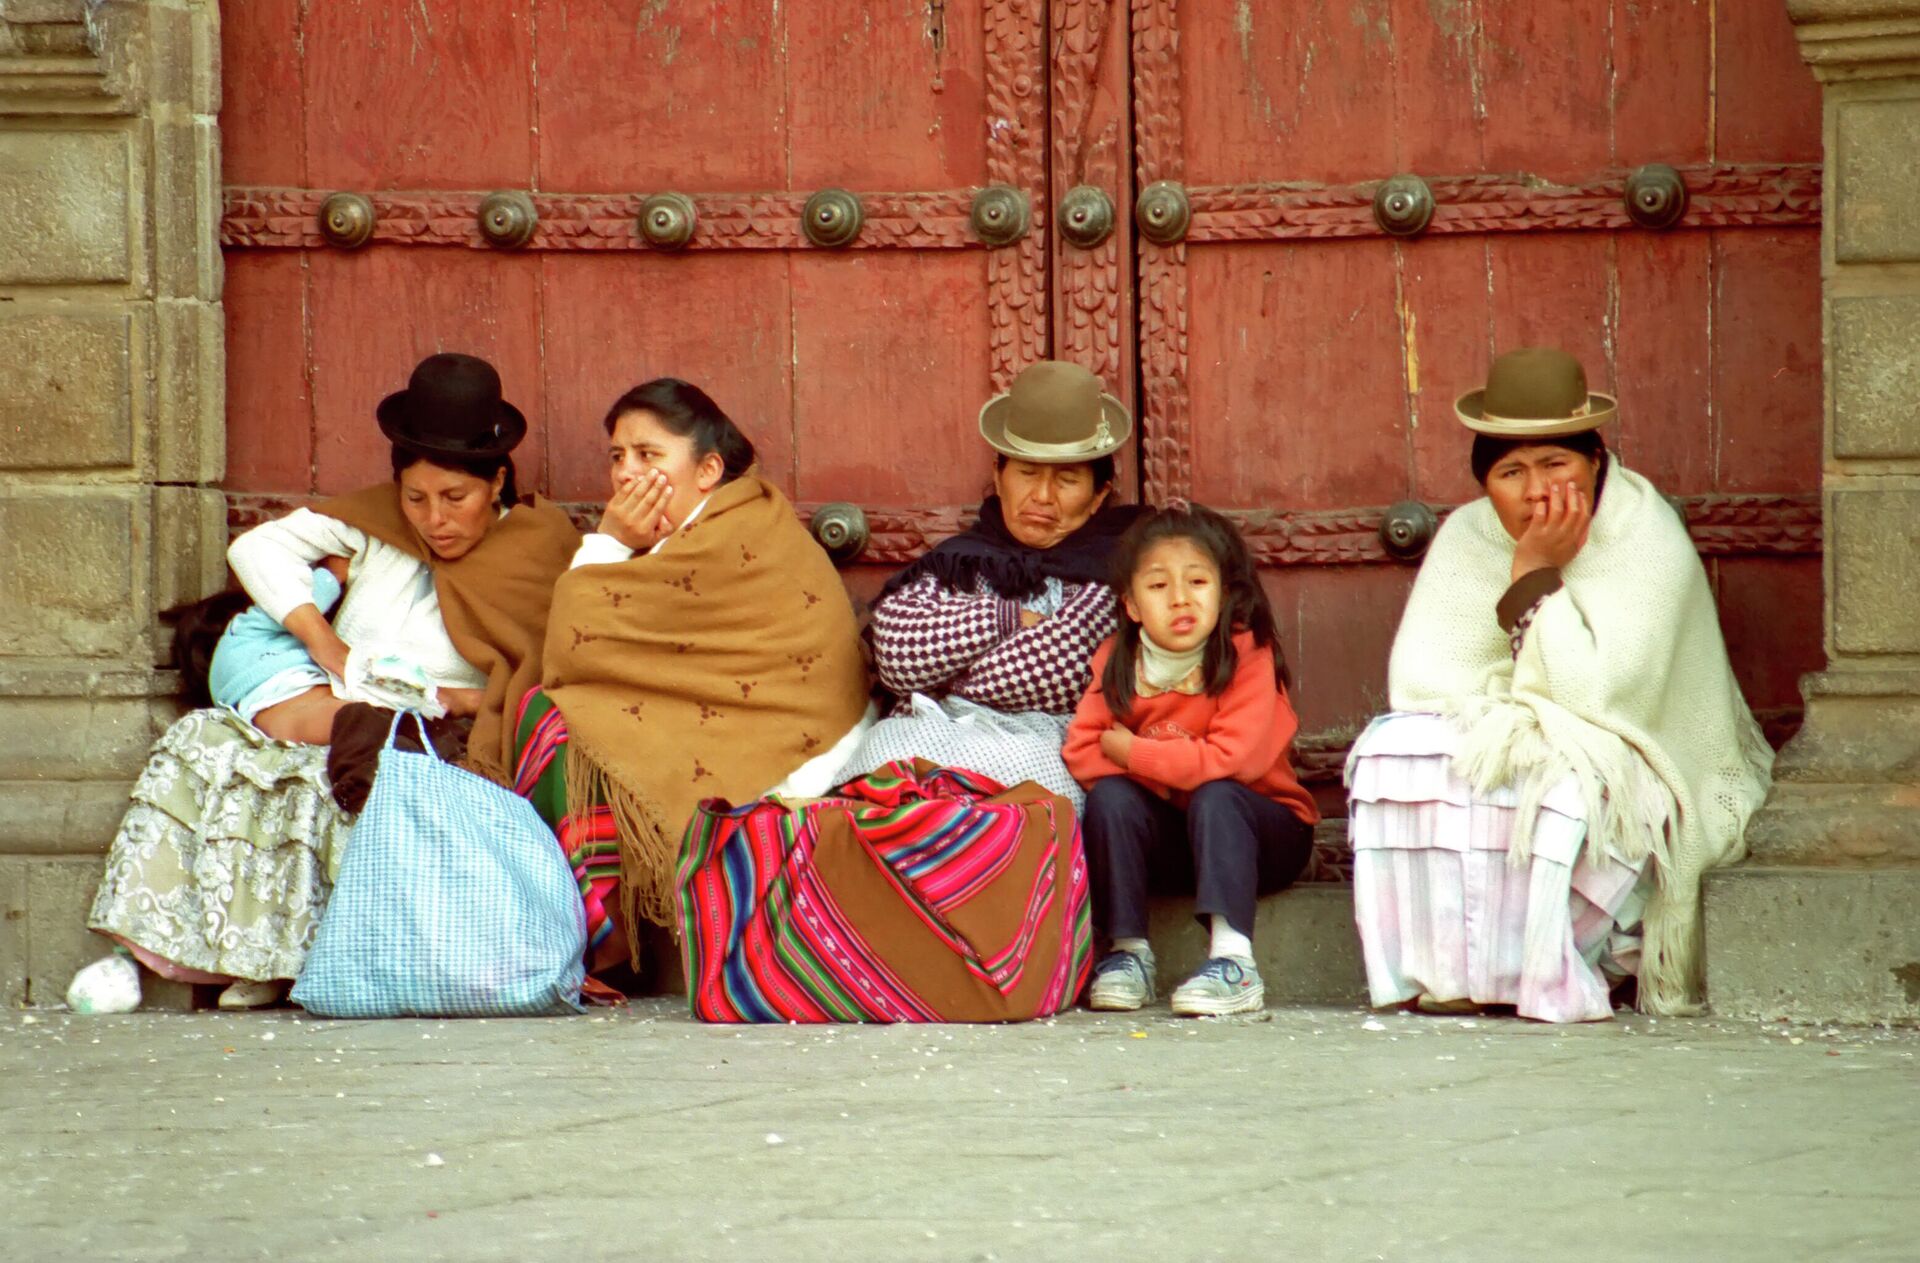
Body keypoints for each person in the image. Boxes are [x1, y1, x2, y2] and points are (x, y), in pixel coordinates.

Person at [70, 353, 579, 1012]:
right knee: (207, 743)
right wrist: (325, 642)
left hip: (429, 727)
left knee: (337, 769)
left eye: (456, 498)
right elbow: (257, 550)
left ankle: (298, 962)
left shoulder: (540, 546)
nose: (435, 519)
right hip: (336, 695)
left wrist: (460, 699)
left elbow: (547, 671)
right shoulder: (374, 526)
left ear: (497, 481)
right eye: (416, 497)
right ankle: (213, 957)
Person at [1346, 347, 1773, 1021]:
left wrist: (1533, 576)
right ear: (1485, 483)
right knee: (1398, 754)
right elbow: (1423, 681)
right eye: (1511, 472)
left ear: (1595, 463)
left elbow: (1601, 696)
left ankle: (1557, 965)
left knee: (1569, 783)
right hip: (1513, 732)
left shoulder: (1643, 533)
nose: (1537, 490)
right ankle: (1456, 971)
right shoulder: (1466, 535)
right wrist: (1516, 707)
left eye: (1557, 465)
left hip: (1631, 756)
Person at [512, 379, 871, 984]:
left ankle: (602, 945)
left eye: (649, 456)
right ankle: (589, 932)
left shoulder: (739, 533)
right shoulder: (687, 537)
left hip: (792, 755)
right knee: (551, 715)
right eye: (617, 457)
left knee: (555, 719)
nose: (627, 475)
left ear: (708, 469)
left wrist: (612, 541)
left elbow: (577, 641)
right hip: (736, 730)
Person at [835, 360, 1146, 807]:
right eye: (1026, 473)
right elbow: (898, 657)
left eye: (1067, 479)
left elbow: (1060, 670)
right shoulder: (958, 560)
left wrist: (943, 678)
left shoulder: (1115, 571)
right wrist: (1007, 618)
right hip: (923, 730)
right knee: (884, 753)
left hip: (1042, 742)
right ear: (999, 478)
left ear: (1099, 495)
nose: (1042, 496)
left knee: (1016, 788)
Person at [1064, 505, 1319, 1016]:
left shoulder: (1247, 654)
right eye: (1157, 587)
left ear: (1223, 593)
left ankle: (1233, 961)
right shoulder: (1118, 657)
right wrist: (1175, 776)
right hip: (1180, 842)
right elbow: (1083, 751)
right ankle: (1128, 954)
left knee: (1217, 794)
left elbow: (1232, 761)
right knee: (1113, 798)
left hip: (1264, 837)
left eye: (1197, 581)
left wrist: (1136, 752)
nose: (1180, 598)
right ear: (1132, 606)